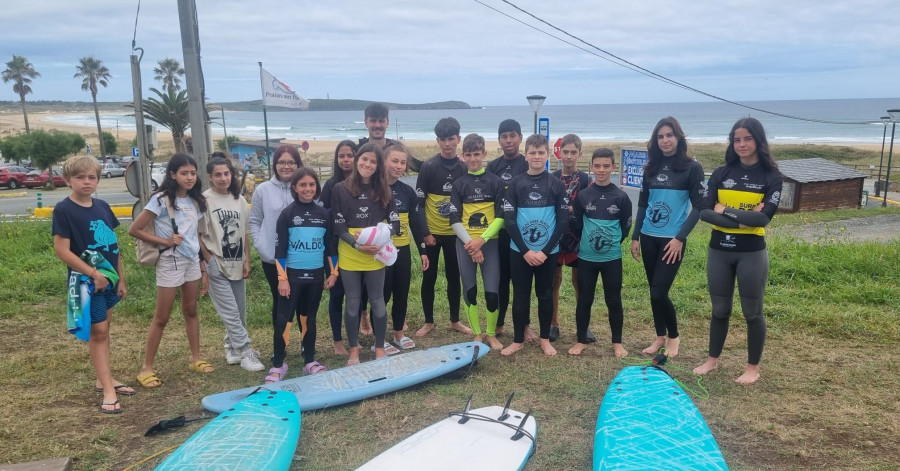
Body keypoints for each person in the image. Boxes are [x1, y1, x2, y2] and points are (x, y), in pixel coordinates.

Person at [693, 118, 782, 385]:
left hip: (751, 253)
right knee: (720, 310)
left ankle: (752, 367)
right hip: (719, 250)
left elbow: (763, 219)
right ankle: (712, 360)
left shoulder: (771, 177)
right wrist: (744, 219)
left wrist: (727, 210)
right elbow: (705, 212)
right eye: (737, 139)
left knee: (752, 312)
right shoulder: (722, 173)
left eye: (747, 138)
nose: (742, 144)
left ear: (758, 141)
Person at [52, 155, 132, 413]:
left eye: (92, 177)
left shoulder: (103, 206)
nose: (87, 182)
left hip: (109, 281)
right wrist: (93, 273)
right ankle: (108, 389)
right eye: (80, 177)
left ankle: (103, 378)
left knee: (105, 328)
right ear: (67, 180)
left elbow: (113, 246)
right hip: (88, 283)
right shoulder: (64, 210)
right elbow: (62, 250)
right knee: (98, 333)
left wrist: (120, 277)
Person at [130, 153, 212, 388]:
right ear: (173, 175)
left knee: (191, 310)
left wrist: (203, 265)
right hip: (170, 262)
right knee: (162, 316)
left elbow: (195, 235)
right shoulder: (161, 199)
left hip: (191, 264)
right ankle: (146, 369)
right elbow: (135, 229)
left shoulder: (196, 201)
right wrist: (164, 241)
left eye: (193, 173)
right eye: (184, 173)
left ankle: (195, 358)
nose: (189, 177)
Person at [630, 117, 705, 358]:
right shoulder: (650, 168)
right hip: (648, 237)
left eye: (669, 135)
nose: (665, 140)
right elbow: (642, 205)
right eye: (660, 136)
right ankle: (659, 336)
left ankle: (673, 337)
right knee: (653, 289)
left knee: (659, 293)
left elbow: (700, 207)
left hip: (671, 241)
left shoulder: (691, 168)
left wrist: (680, 237)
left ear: (678, 137)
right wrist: (635, 236)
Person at [331, 142, 400, 365]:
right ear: (356, 160)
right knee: (352, 302)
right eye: (364, 159)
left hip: (375, 252)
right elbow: (338, 226)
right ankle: (354, 350)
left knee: (378, 301)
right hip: (351, 251)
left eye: (373, 161)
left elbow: (396, 224)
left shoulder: (384, 190)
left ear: (378, 165)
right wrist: (357, 244)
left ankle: (379, 348)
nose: (367, 164)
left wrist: (378, 236)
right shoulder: (339, 189)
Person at [500, 134, 569, 357]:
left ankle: (545, 339)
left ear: (548, 155)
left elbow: (562, 222)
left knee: (545, 294)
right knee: (520, 295)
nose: (537, 156)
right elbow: (509, 221)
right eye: (532, 152)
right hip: (519, 251)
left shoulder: (556, 184)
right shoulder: (514, 184)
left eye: (541, 152)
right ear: (526, 155)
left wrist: (544, 251)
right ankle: (518, 339)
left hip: (547, 253)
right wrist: (526, 251)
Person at [267, 167, 336, 382]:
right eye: (303, 185)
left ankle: (309, 361)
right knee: (283, 321)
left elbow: (330, 248)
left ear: (317, 187)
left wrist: (333, 273)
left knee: (309, 320)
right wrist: (282, 278)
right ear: (295, 188)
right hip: (292, 279)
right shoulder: (287, 214)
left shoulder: (324, 214)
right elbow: (280, 250)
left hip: (315, 278)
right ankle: (279, 364)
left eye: (312, 184)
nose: (308, 189)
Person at [201, 154, 263, 372]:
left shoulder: (238, 199)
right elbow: (198, 233)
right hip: (216, 261)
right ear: (210, 177)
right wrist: (208, 259)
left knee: (239, 310)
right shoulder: (204, 199)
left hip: (237, 260)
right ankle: (246, 350)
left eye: (226, 173)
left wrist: (247, 259)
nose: (223, 178)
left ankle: (231, 348)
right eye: (218, 174)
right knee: (229, 310)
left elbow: (245, 232)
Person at [568, 149, 633, 357]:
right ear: (592, 167)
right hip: (586, 258)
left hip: (611, 258)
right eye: (597, 166)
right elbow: (577, 224)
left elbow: (625, 228)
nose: (602, 170)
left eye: (606, 166)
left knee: (613, 299)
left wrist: (609, 244)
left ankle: (617, 343)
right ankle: (580, 340)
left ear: (613, 167)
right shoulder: (584, 195)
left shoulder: (621, 197)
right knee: (585, 299)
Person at [414, 117, 473, 337]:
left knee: (453, 277)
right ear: (437, 140)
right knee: (428, 278)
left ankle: (455, 321)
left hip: (455, 234)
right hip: (432, 234)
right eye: (443, 139)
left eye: (451, 139)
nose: (447, 143)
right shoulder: (429, 167)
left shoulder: (464, 167)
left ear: (458, 138)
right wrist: (426, 233)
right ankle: (428, 321)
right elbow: (418, 205)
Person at [449, 133, 505, 350]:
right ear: (463, 156)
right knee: (470, 289)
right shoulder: (459, 184)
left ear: (484, 154)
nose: (473, 159)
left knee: (492, 290)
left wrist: (481, 241)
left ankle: (491, 334)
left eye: (477, 154)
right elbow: (454, 218)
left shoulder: (496, 182)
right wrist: (472, 246)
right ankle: (478, 334)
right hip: (465, 245)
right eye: (469, 155)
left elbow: (501, 216)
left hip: (488, 243)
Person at [250, 145, 304, 349]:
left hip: (301, 256)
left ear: (298, 164)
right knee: (280, 299)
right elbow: (255, 220)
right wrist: (260, 244)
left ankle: (304, 343)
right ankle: (280, 344)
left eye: (291, 162)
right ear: (275, 164)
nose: (286, 166)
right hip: (272, 257)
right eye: (282, 162)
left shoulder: (304, 187)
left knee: (302, 300)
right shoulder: (262, 190)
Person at [320, 140, 368, 354]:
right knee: (337, 294)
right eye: (342, 156)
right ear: (336, 159)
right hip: (335, 246)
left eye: (350, 155)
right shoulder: (331, 185)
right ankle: (338, 341)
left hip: (360, 248)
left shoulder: (365, 183)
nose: (346, 160)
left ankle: (354, 337)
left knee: (357, 294)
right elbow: (325, 218)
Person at [381, 142, 429, 351]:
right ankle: (379, 338)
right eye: (394, 161)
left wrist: (423, 251)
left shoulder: (407, 191)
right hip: (379, 254)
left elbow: (417, 223)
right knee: (381, 295)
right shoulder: (373, 189)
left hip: (402, 250)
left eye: (403, 162)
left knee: (401, 292)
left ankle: (399, 333)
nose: (399, 166)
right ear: (383, 161)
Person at [486, 119, 529, 338]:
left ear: (520, 138)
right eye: (504, 136)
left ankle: (526, 326)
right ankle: (500, 323)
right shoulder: (493, 167)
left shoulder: (528, 163)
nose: (509, 140)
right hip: (499, 233)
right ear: (499, 140)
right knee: (501, 279)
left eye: (513, 135)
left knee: (521, 282)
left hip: (522, 233)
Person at [550, 134, 592, 342]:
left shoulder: (586, 180)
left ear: (580, 154)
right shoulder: (552, 177)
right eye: (565, 152)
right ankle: (553, 323)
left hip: (578, 236)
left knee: (579, 282)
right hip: (556, 237)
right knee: (554, 281)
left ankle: (582, 326)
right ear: (559, 153)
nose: (568, 156)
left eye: (573, 152)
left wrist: (569, 209)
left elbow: (590, 207)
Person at [357, 102, 422, 171]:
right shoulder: (358, 150)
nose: (377, 125)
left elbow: (420, 167)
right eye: (373, 121)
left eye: (381, 121)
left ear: (387, 123)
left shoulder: (395, 148)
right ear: (366, 123)